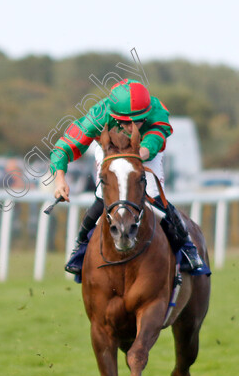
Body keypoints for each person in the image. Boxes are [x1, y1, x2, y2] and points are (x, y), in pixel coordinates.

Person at [52, 79, 206, 274]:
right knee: (103, 195)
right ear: (114, 116)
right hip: (109, 149)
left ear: (147, 114)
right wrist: (59, 180)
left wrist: (138, 154)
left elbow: (155, 138)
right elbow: (64, 147)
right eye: (125, 122)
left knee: (153, 194)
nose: (132, 127)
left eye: (138, 121)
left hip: (145, 151)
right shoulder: (98, 116)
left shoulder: (156, 110)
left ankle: (187, 247)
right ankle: (80, 247)